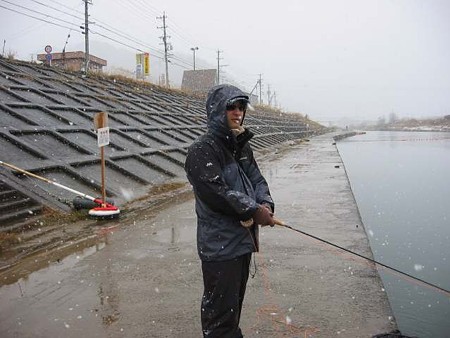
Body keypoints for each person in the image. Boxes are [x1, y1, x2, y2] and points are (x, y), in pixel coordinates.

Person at [184, 84, 275, 337]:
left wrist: (265, 203)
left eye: (241, 107)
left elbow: (257, 180)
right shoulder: (202, 150)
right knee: (220, 319)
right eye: (231, 107)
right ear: (216, 111)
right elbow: (216, 193)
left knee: (233, 309)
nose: (237, 113)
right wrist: (253, 210)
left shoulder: (242, 146)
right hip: (220, 247)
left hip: (242, 243)